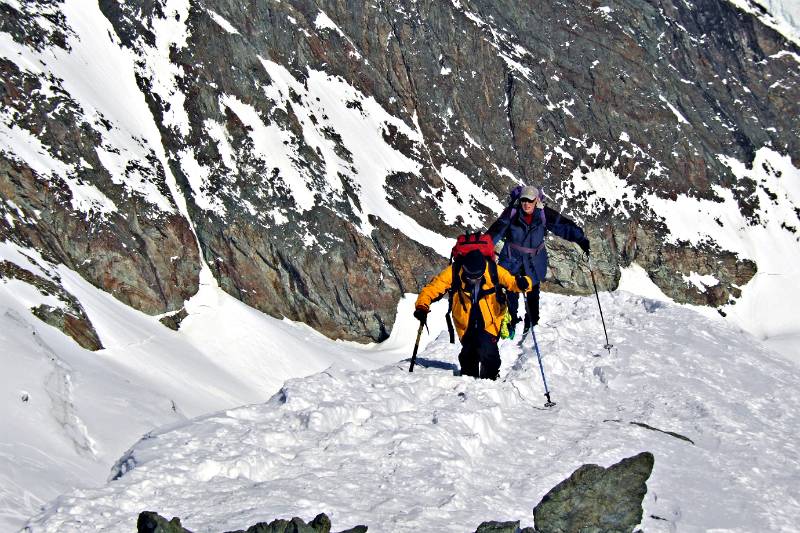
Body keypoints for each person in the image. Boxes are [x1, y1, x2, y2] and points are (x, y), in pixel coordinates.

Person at [487, 185, 590, 337]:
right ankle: (512, 321)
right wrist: (479, 249)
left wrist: (581, 239)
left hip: (533, 261)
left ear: (536, 200)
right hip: (512, 258)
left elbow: (564, 226)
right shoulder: (512, 213)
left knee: (533, 292)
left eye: (530, 200)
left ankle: (532, 321)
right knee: (511, 291)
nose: (526, 204)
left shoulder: (543, 214)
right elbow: (495, 231)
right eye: (523, 200)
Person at [413, 250, 532, 379]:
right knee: (468, 353)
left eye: (478, 277)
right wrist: (422, 306)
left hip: (490, 321)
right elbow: (433, 288)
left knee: (488, 351)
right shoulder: (454, 270)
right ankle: (468, 381)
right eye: (470, 277)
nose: (474, 280)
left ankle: (490, 381)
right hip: (464, 322)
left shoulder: (492, 268)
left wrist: (524, 283)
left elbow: (512, 281)